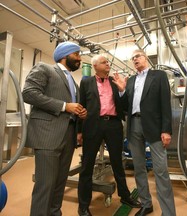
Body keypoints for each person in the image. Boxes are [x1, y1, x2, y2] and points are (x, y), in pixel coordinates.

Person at [22, 41, 87, 216]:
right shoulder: (45, 69)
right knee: (46, 185)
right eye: (77, 54)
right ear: (65, 55)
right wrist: (65, 106)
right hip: (47, 136)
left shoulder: (74, 82)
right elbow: (28, 93)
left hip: (68, 137)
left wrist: (79, 112)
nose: (79, 58)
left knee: (59, 183)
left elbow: (71, 107)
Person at [113, 49, 176, 216]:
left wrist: (166, 130)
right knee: (139, 168)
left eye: (137, 56)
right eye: (132, 58)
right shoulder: (131, 80)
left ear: (145, 58)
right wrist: (121, 91)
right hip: (134, 125)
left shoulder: (159, 76)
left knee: (160, 170)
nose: (135, 60)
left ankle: (168, 212)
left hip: (154, 127)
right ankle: (146, 204)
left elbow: (165, 104)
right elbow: (125, 107)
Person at [77, 54, 141, 216]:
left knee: (118, 163)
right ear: (95, 66)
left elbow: (124, 107)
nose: (108, 64)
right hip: (93, 125)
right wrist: (79, 130)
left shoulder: (114, 81)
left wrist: (122, 91)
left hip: (113, 124)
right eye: (104, 62)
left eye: (108, 62)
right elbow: (80, 106)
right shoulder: (86, 82)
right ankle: (83, 205)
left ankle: (125, 196)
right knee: (87, 165)